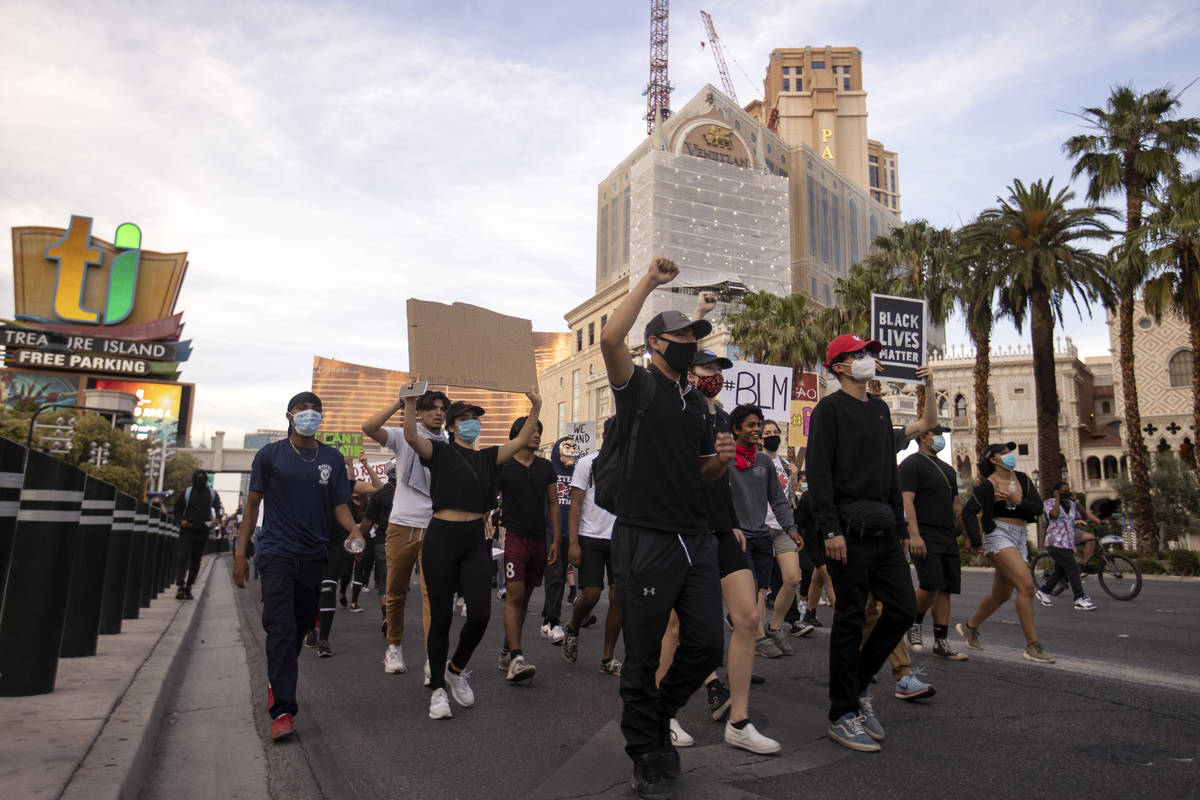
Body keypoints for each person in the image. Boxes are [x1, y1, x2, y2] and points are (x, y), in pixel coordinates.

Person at [600, 258, 733, 799]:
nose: (689, 342)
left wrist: (720, 461)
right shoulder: (640, 386)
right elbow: (611, 338)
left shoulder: (697, 403)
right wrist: (651, 282)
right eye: (680, 334)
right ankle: (643, 748)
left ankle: (658, 714)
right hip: (646, 535)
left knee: (704, 645)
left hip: (695, 536)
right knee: (645, 651)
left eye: (694, 336)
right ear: (655, 344)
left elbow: (699, 473)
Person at [806, 334, 917, 753]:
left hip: (885, 529)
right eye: (857, 355)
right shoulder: (828, 410)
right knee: (850, 620)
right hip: (846, 532)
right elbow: (819, 475)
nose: (866, 360)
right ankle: (841, 713)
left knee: (903, 609)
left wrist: (903, 530)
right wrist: (830, 530)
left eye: (868, 354)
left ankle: (857, 692)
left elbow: (890, 474)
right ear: (838, 367)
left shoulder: (880, 409)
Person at [232, 391, 365, 741]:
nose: (310, 415)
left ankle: (277, 679)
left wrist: (353, 530)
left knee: (303, 624)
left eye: (315, 410)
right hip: (275, 553)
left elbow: (339, 506)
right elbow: (251, 506)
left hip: (313, 555)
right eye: (303, 409)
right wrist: (240, 554)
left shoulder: (333, 459)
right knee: (281, 628)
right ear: (289, 416)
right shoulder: (269, 456)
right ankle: (283, 711)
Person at [404, 389, 542, 720]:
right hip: (441, 538)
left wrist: (536, 405)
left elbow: (522, 438)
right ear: (452, 427)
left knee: (480, 614)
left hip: (473, 542)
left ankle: (456, 668)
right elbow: (410, 435)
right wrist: (409, 402)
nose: (472, 424)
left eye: (475, 420)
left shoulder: (487, 458)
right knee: (441, 618)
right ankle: (438, 688)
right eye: (465, 420)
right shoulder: (439, 452)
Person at [361, 390, 450, 678]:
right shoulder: (403, 436)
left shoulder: (448, 444)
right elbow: (369, 427)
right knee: (395, 591)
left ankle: (430, 658)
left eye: (442, 409)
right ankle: (394, 647)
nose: (438, 413)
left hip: (434, 526)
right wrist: (401, 403)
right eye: (432, 408)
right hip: (400, 525)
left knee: (431, 595)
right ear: (419, 413)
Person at [958, 442, 1054, 664]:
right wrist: (975, 539)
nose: (1009, 455)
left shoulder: (1022, 480)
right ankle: (1032, 646)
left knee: (1002, 595)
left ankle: (969, 627)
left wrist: (1016, 500)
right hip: (999, 535)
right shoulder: (988, 486)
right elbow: (968, 511)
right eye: (1004, 452)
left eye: (1010, 452)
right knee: (1026, 586)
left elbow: (1038, 508)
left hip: (1020, 535)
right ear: (993, 459)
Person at [727, 404, 801, 660]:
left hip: (762, 536)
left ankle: (757, 639)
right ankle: (758, 638)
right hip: (738, 538)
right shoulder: (724, 460)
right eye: (751, 425)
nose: (757, 430)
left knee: (761, 590)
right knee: (752, 589)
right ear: (736, 429)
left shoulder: (763, 462)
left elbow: (778, 499)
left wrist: (791, 528)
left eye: (759, 424)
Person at [496, 415, 559, 683]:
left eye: (539, 431)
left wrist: (556, 539)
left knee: (524, 598)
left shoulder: (546, 467)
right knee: (515, 593)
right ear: (517, 435)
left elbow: (554, 504)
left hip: (538, 540)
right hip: (513, 536)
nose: (537, 434)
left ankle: (507, 649)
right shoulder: (503, 465)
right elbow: (487, 495)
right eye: (532, 430)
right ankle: (517, 657)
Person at [901, 426, 968, 660]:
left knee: (946, 588)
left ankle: (941, 642)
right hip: (924, 533)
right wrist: (914, 534)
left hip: (947, 534)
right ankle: (914, 622)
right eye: (936, 434)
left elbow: (956, 503)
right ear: (923, 438)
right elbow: (907, 501)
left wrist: (969, 534)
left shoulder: (948, 469)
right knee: (930, 584)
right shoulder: (911, 464)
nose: (940, 438)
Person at [563, 419, 623, 676]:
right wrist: (573, 543)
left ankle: (607, 658)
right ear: (605, 435)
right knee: (591, 594)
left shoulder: (632, 464)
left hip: (621, 538)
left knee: (618, 598)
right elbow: (575, 505)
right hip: (590, 537)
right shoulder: (587, 463)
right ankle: (574, 625)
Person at [758, 419, 813, 642]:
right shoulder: (755, 461)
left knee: (791, 579)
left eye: (775, 432)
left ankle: (776, 626)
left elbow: (788, 501)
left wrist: (793, 476)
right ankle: (759, 635)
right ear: (760, 438)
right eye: (767, 432)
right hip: (760, 528)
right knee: (760, 586)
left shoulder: (785, 464)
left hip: (782, 528)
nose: (772, 435)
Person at [1036, 482, 1100, 611]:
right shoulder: (1050, 502)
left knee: (1060, 571)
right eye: (1063, 491)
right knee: (1073, 568)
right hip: (1055, 542)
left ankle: (1044, 591)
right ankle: (1079, 598)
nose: (1066, 493)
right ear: (1056, 492)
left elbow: (1083, 515)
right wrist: (1057, 499)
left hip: (1067, 542)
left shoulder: (1071, 505)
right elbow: (1054, 514)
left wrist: (1077, 501)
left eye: (1068, 490)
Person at [540, 437, 578, 642]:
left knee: (561, 576)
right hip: (549, 531)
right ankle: (553, 622)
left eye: (574, 447)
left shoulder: (578, 473)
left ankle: (547, 618)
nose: (571, 450)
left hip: (568, 534)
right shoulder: (549, 471)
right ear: (557, 450)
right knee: (554, 575)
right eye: (567, 447)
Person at [357, 468, 397, 625]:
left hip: (383, 540)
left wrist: (360, 542)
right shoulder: (408, 492)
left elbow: (367, 523)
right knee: (396, 581)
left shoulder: (380, 494)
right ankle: (391, 616)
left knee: (385, 579)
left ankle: (386, 615)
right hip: (401, 540)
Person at [174, 469, 221, 600]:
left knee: (196, 560)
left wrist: (217, 519)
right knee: (182, 557)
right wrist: (181, 521)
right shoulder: (187, 492)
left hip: (203, 531)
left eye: (202, 477)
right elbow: (176, 511)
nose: (200, 479)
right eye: (198, 477)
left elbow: (219, 508)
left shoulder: (211, 493)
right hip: (187, 530)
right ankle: (180, 585)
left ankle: (189, 587)